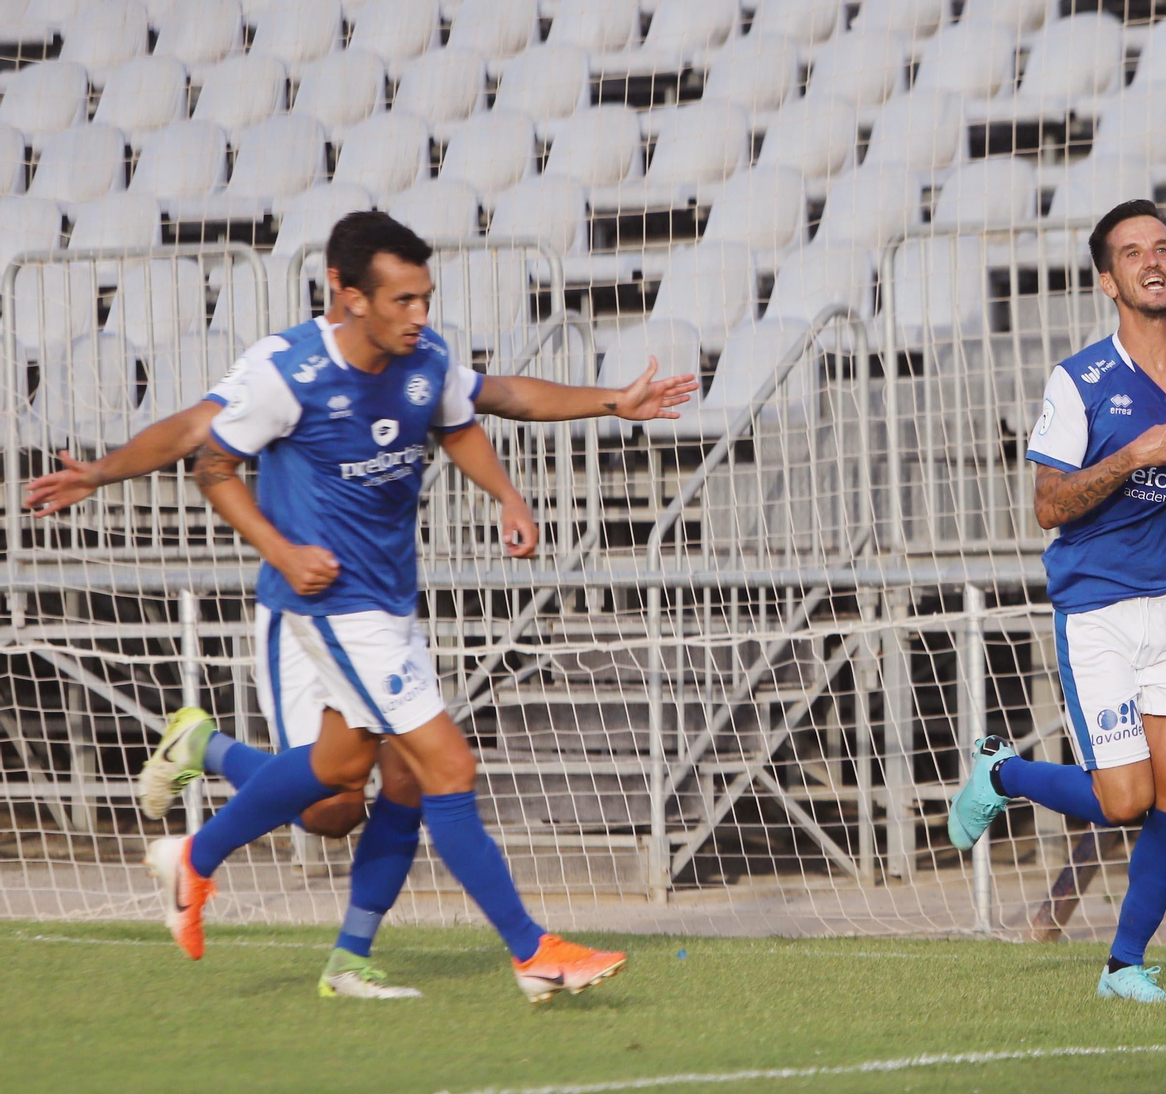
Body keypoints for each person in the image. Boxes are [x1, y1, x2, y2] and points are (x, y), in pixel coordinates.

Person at [28, 219, 694, 999]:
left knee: (345, 775)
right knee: (436, 768)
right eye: (402, 299)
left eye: (425, 297)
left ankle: (204, 859)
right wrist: (121, 482)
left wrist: (586, 425)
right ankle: (532, 950)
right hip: (328, 604)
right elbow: (206, 454)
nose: (419, 314)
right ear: (347, 296)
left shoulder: (423, 359)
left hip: (388, 600)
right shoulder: (291, 372)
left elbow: (487, 403)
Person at [947, 200, 1166, 1003]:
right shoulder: (1082, 381)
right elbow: (1049, 506)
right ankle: (1004, 773)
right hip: (1095, 608)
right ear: (1109, 281)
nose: (1151, 261)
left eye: (1161, 248)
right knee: (1124, 800)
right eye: (1132, 253)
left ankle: (1123, 965)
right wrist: (1130, 457)